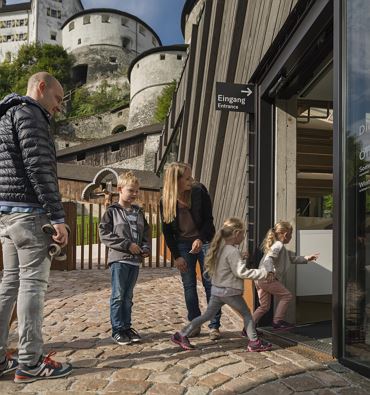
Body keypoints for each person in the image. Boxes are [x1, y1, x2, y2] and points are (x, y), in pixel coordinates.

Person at [0, 72, 71, 383]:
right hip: (30, 217)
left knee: (9, 285)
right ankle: (29, 362)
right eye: (57, 99)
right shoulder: (31, 114)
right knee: (32, 286)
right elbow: (39, 166)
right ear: (41, 88)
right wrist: (57, 216)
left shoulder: (4, 116)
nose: (58, 107)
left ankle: (2, 356)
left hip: (6, 217)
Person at [171, 218, 273, 352]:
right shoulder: (232, 251)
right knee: (247, 314)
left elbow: (227, 264)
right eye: (243, 234)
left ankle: (181, 334)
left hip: (217, 290)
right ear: (236, 233)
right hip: (229, 292)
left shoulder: (221, 249)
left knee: (206, 316)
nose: (243, 237)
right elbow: (241, 272)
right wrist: (263, 273)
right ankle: (254, 342)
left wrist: (240, 257)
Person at [160, 162, 222, 341]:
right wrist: (177, 256)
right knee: (189, 285)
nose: (191, 180)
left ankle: (214, 325)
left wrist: (200, 239)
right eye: (187, 178)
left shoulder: (199, 191)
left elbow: (209, 220)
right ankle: (194, 324)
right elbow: (167, 232)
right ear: (176, 181)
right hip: (182, 245)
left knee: (210, 283)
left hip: (204, 241)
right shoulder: (165, 200)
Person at [99, 171, 150, 346]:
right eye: (131, 190)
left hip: (134, 262)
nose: (135, 194)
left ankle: (127, 327)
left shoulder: (139, 212)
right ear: (120, 189)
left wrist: (145, 248)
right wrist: (127, 245)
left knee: (128, 297)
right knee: (118, 296)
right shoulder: (112, 212)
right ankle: (117, 329)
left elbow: (146, 234)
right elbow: (104, 234)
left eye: (137, 191)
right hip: (119, 260)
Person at [252, 221, 319, 330]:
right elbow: (268, 259)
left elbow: (291, 258)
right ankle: (278, 321)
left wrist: (307, 258)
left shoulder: (279, 246)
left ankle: (248, 328)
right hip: (267, 278)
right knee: (286, 296)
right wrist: (270, 272)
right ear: (286, 234)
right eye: (291, 234)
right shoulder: (278, 245)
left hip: (259, 278)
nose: (291, 237)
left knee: (264, 306)